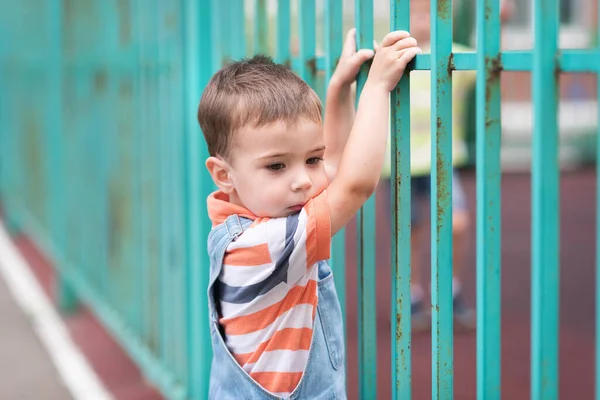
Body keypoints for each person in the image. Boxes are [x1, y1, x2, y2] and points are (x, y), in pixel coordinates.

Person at [197, 29, 421, 398]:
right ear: (223, 175)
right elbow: (354, 185)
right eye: (276, 166)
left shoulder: (242, 217)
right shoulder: (264, 244)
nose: (303, 180)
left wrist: (339, 89)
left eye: (310, 159)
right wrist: (377, 88)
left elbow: (332, 164)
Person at [381, 0, 477, 332]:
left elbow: (494, 61)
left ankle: (449, 290)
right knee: (411, 231)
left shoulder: (454, 55)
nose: (422, 20)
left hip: (441, 161)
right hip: (400, 162)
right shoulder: (391, 55)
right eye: (415, 13)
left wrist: (503, 24)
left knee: (458, 224)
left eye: (429, 12)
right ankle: (414, 296)